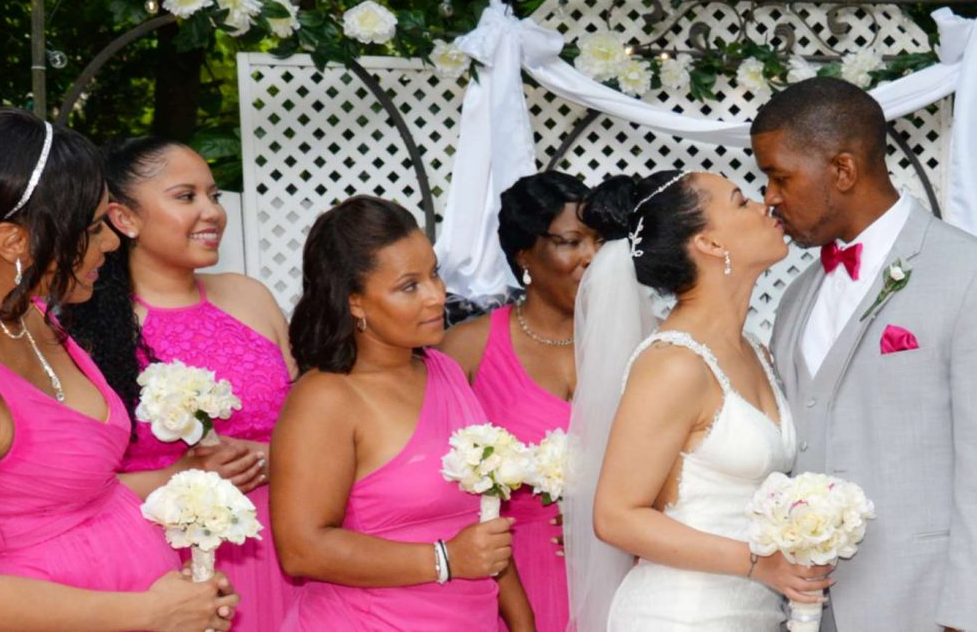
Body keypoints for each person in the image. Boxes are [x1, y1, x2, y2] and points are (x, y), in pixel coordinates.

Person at [0, 109, 236, 631]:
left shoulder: (31, 317)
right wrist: (151, 613)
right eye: (92, 228)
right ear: (12, 241)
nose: (111, 244)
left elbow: (53, 493)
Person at [750, 77, 977, 632]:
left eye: (779, 177)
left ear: (842, 170)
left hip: (927, 608)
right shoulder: (795, 297)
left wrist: (968, 621)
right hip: (808, 613)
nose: (769, 196)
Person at [58, 136, 295, 630]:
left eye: (214, 196)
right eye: (186, 197)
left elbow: (310, 426)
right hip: (162, 565)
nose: (211, 212)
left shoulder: (250, 298)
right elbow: (72, 491)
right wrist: (184, 473)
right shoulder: (86, 332)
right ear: (124, 219)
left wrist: (274, 459)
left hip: (280, 544)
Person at [575, 170, 829, 631]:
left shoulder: (756, 351)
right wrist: (756, 562)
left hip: (754, 613)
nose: (763, 205)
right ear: (710, 244)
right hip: (681, 614)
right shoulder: (673, 364)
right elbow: (615, 516)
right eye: (739, 201)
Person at [270, 196, 529, 631]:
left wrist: (523, 623)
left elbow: (483, 529)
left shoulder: (444, 370)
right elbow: (302, 549)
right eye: (410, 286)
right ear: (355, 301)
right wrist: (446, 559)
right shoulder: (326, 399)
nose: (436, 296)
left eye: (434, 274)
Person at [439, 171, 596, 632]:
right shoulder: (466, 349)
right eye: (571, 241)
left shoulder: (632, 343)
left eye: (598, 241)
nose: (590, 257)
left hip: (619, 576)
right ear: (524, 254)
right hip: (513, 583)